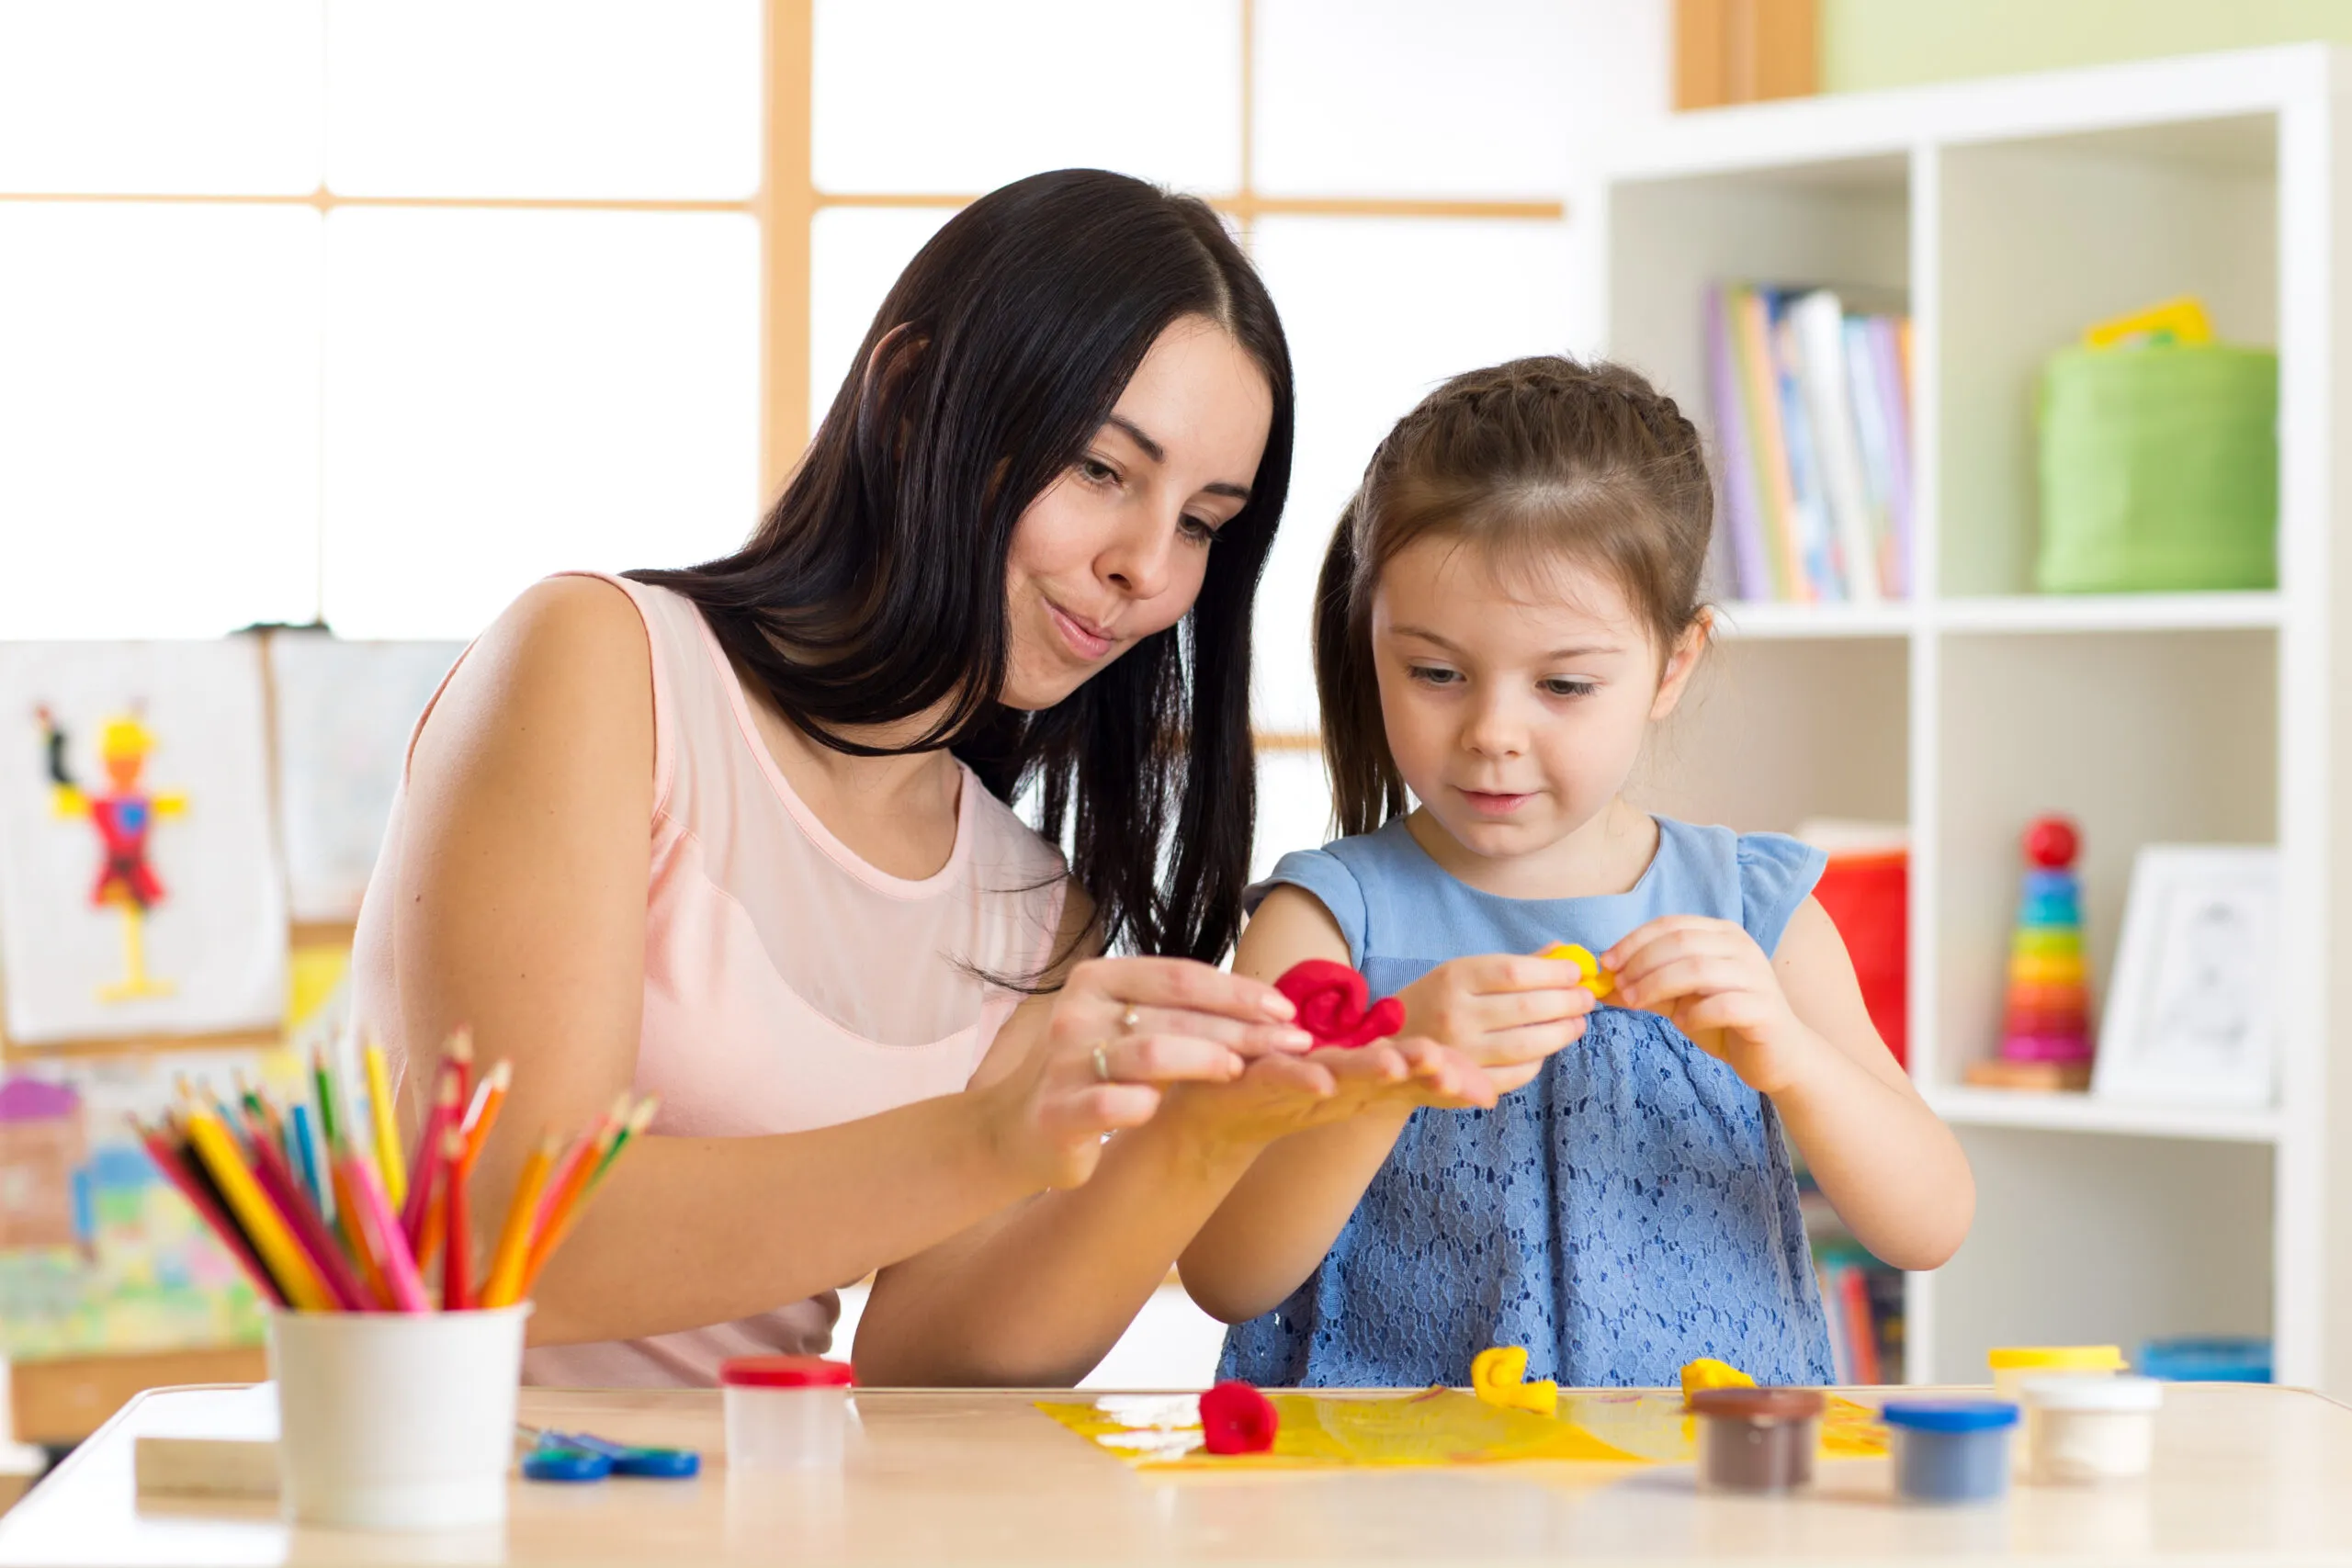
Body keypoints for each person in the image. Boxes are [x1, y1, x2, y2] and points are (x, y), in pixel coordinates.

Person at [350, 168, 1489, 1388]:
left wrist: (1192, 1143)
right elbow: (510, 1238)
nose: (1147, 568)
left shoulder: (1036, 907)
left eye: (1204, 520)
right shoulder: (599, 664)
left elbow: (927, 1368)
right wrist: (991, 1135)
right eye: (1103, 469)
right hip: (434, 1496)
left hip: (758, 1509)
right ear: (907, 397)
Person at [1180, 355, 1973, 1387]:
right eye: (1433, 673)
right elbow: (1225, 1272)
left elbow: (1930, 1223)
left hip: (1702, 1500)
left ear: (1671, 666)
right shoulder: (1328, 927)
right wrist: (1387, 1071)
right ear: (1368, 636)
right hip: (1386, 1498)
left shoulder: (1755, 914)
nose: (1491, 734)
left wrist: (1790, 1058)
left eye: (1562, 684)